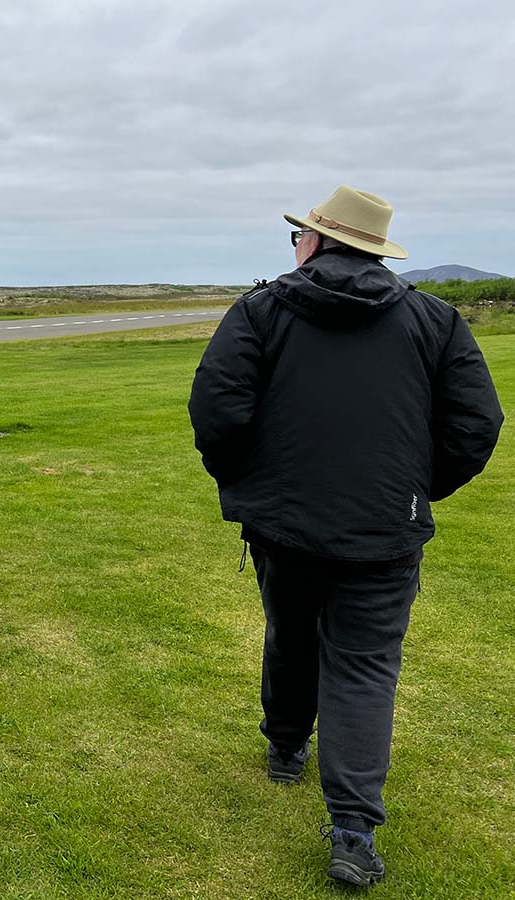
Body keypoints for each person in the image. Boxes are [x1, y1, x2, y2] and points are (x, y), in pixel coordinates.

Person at [188, 186, 503, 887]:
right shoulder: (435, 319)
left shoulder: (262, 309)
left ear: (317, 243)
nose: (294, 246)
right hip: (382, 529)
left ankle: (286, 750)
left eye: (298, 236)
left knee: (293, 633)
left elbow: (216, 412)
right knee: (364, 668)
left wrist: (254, 487)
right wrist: (414, 490)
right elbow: (476, 426)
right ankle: (351, 826)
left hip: (289, 526)